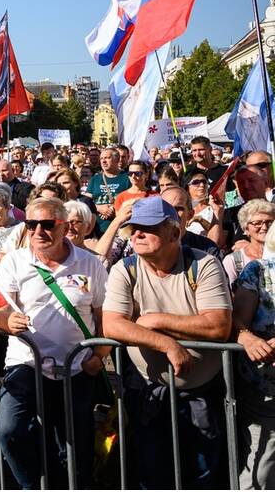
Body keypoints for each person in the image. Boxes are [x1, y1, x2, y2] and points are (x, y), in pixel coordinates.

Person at [102, 197, 232, 490]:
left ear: (175, 232)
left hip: (200, 393)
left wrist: (156, 319)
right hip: (150, 392)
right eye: (133, 229)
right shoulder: (126, 268)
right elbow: (112, 324)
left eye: (147, 229)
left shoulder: (203, 264)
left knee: (203, 473)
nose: (136, 235)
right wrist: (168, 345)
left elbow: (218, 325)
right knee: (153, 471)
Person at [0, 197, 110, 489]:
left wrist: (98, 357)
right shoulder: (15, 262)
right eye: (31, 224)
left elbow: (105, 315)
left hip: (76, 368)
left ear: (64, 226)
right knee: (8, 429)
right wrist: (7, 321)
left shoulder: (90, 263)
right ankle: (33, 485)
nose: (38, 231)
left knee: (72, 449)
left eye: (47, 225)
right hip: (25, 362)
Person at [230, 225, 275, 489]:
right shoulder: (259, 271)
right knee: (262, 466)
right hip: (265, 386)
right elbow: (237, 321)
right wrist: (247, 338)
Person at [226, 200, 275, 284]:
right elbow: (231, 294)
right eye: (257, 223)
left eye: (269, 222)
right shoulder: (235, 260)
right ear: (246, 229)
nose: (264, 227)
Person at [87, 148, 130, 235]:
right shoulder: (95, 179)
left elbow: (133, 200)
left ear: (117, 160)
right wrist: (99, 208)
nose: (104, 161)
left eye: (107, 158)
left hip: (121, 229)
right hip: (97, 229)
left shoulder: (127, 178)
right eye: (101, 158)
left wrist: (113, 208)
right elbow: (86, 201)